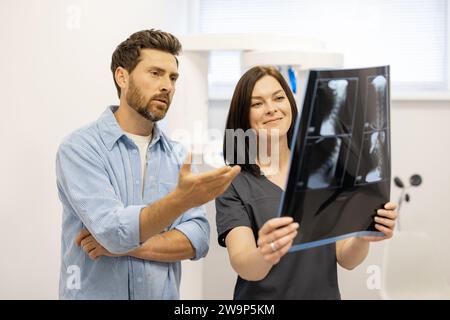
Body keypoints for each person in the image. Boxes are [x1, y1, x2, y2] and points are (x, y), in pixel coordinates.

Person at [56, 29, 240, 299]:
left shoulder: (178, 155)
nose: (168, 86)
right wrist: (179, 203)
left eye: (173, 77)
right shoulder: (80, 149)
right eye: (155, 73)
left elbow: (198, 238)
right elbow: (112, 230)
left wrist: (127, 246)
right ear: (122, 77)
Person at [215, 66, 397, 299]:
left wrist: (364, 233)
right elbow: (244, 264)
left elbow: (346, 258)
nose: (271, 109)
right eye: (257, 103)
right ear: (243, 116)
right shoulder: (233, 181)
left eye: (279, 98)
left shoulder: (324, 170)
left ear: (290, 104)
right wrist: (267, 249)